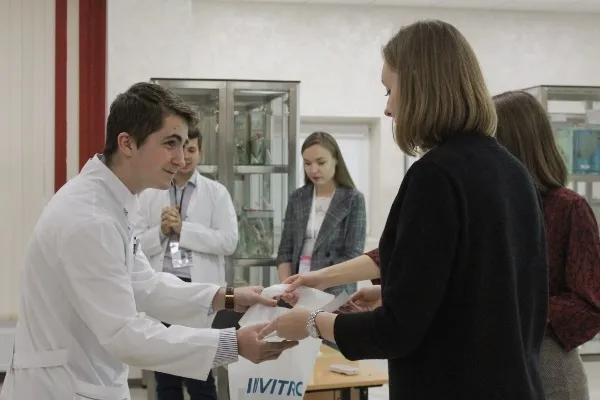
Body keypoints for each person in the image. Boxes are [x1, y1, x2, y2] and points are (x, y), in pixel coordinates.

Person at [260, 20, 548, 400]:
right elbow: (480, 292)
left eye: (389, 90)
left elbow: (396, 332)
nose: (388, 108)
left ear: (420, 88)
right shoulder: (513, 171)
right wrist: (396, 294)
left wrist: (312, 322)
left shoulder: (435, 175)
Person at [0, 82, 297, 400]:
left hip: (86, 379)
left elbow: (145, 285)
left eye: (185, 145)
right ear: (127, 143)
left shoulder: (115, 203)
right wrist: (232, 344)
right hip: (60, 388)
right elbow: (124, 334)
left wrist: (226, 297)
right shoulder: (89, 218)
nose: (181, 159)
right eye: (170, 143)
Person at [493, 90, 600, 400]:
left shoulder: (567, 207)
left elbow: (589, 303)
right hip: (491, 363)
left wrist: (513, 308)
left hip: (547, 365)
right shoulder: (487, 205)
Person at [134, 125, 237, 400]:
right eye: (180, 148)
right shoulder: (150, 193)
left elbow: (229, 241)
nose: (185, 156)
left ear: (200, 152)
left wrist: (184, 230)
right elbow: (133, 242)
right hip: (162, 290)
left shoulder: (216, 193)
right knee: (165, 375)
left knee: (200, 374)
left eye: (191, 149)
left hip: (197, 292)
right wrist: (161, 231)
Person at [276, 131, 366, 297]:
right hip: (297, 289)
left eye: (321, 162)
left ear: (336, 160)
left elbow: (353, 254)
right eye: (307, 163)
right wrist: (286, 287)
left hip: (336, 291)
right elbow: (285, 251)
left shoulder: (353, 199)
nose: (313, 170)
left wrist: (321, 280)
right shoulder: (297, 197)